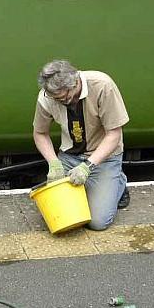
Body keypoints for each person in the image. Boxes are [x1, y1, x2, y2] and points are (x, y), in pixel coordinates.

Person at [32, 60, 131, 231]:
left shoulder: (102, 85)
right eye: (56, 99)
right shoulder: (47, 96)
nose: (61, 101)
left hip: (103, 157)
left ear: (75, 82)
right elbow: (40, 133)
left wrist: (87, 167)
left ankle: (119, 182)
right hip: (69, 156)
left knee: (98, 222)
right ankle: (99, 186)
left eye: (65, 98)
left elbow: (114, 134)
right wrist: (54, 163)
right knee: (57, 212)